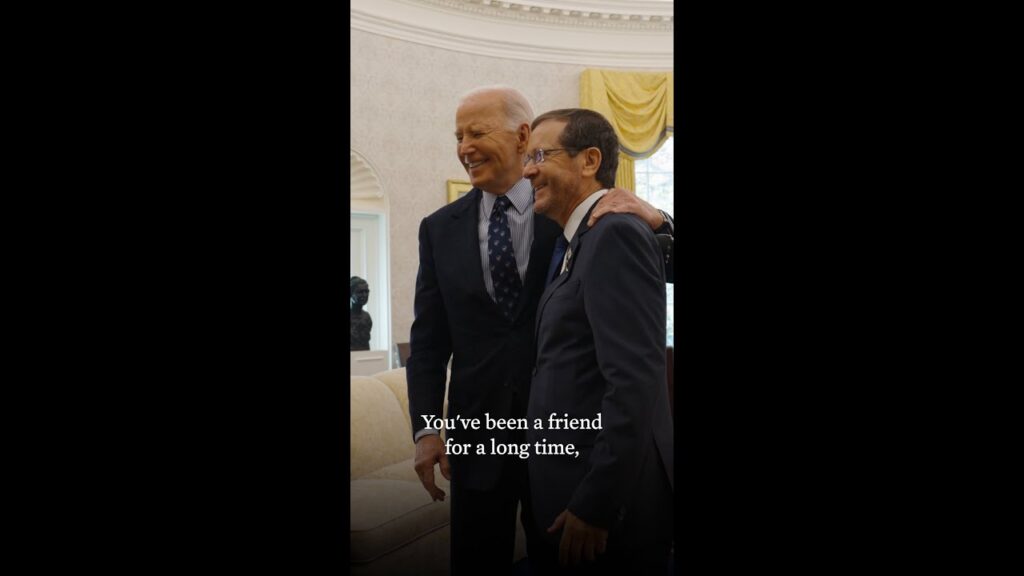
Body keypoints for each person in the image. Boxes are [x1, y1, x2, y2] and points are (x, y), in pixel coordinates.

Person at [405, 86, 673, 575]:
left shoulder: (584, 210)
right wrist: (426, 426)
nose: (464, 146)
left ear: (522, 135)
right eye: (458, 136)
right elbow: (427, 343)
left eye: (477, 132)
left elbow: (638, 271)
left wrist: (661, 220)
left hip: (568, 441)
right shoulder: (438, 228)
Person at [522, 108, 673, 574]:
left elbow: (632, 382)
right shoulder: (578, 240)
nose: (527, 169)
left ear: (589, 160)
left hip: (602, 498)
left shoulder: (615, 233)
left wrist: (597, 502)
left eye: (540, 155)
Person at [350, 276, 372, 351]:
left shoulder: (367, 317)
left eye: (366, 291)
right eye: (360, 292)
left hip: (364, 357)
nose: (364, 295)